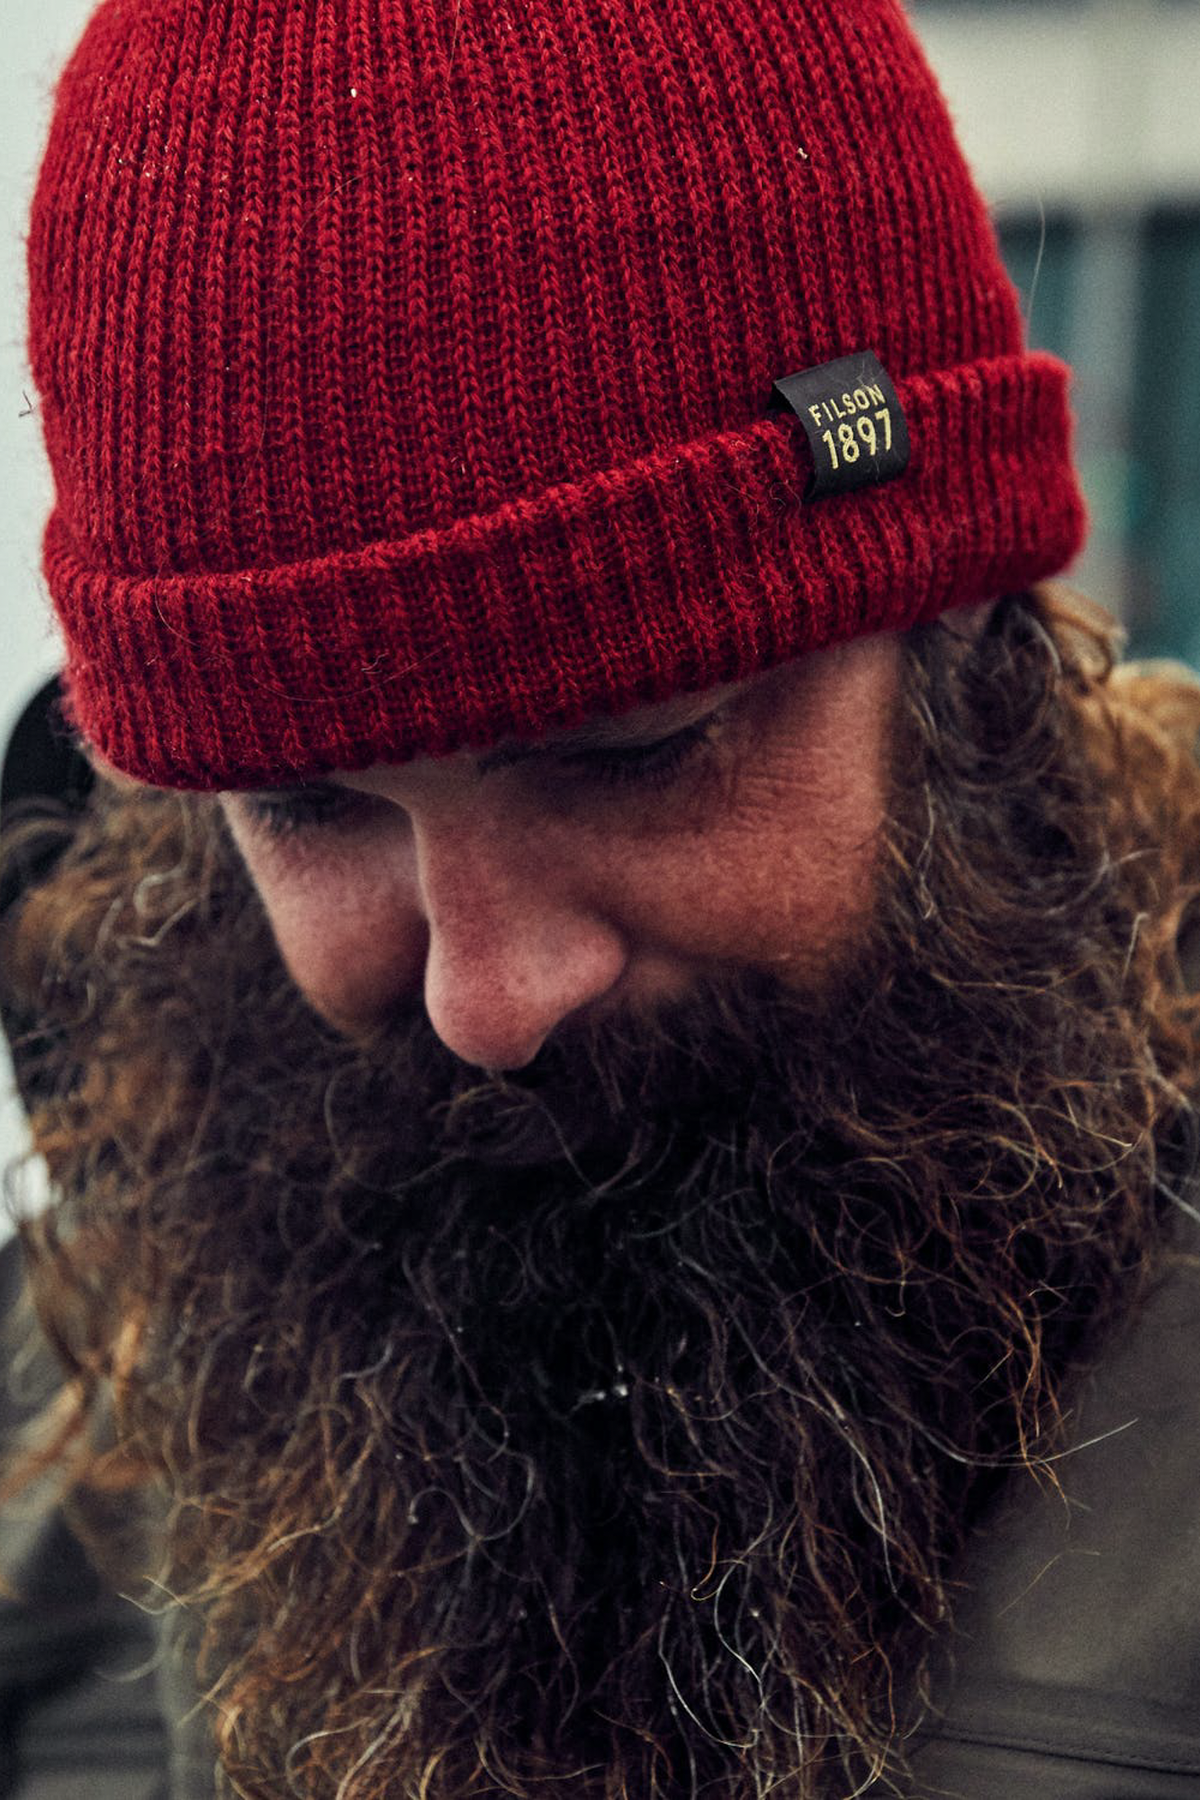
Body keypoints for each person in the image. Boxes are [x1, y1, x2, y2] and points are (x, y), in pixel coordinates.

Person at [2, 0, 1200, 1795]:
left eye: (636, 752)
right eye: (307, 808)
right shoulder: (63, 1436)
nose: (486, 1001)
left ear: (967, 647)